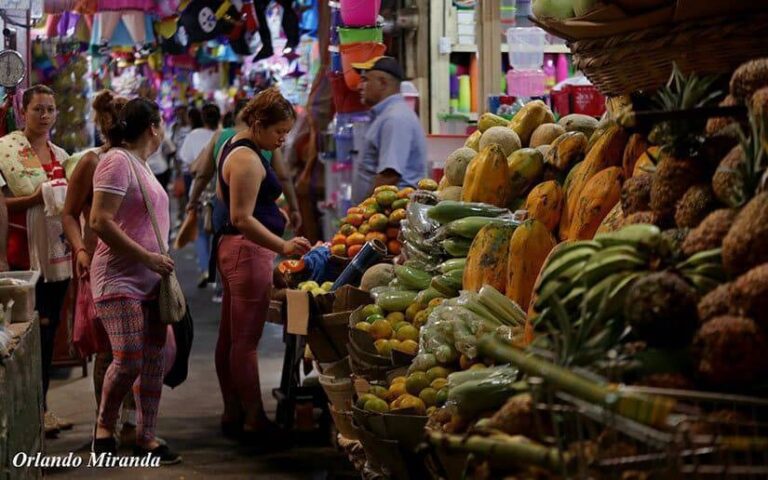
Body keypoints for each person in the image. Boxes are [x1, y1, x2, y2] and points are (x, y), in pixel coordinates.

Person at [215, 88, 311, 441]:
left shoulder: (236, 145)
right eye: (278, 132)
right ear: (257, 123)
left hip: (236, 250)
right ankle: (254, 417)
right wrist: (283, 244)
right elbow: (241, 217)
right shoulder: (247, 159)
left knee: (230, 338)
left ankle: (233, 411)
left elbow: (228, 202)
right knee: (245, 341)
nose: (282, 139)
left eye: (287, 132)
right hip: (246, 251)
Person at [89, 98, 180, 464]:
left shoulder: (141, 164)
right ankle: (104, 428)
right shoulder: (117, 161)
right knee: (128, 359)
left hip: (151, 281)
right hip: (118, 278)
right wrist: (146, 257)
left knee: (154, 361)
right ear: (154, 127)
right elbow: (99, 220)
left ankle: (146, 435)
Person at [62, 91, 142, 446]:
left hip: (137, 265)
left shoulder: (135, 161)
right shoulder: (91, 163)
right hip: (100, 264)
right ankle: (104, 426)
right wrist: (79, 247)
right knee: (109, 349)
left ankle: (127, 423)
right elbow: (68, 212)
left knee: (132, 348)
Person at [0, 85, 73, 436]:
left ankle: (42, 409)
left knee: (47, 333)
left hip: (58, 257)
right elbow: (2, 204)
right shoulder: (10, 151)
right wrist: (34, 198)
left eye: (50, 109)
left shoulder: (61, 153)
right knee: (21, 336)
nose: (44, 116)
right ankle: (24, 414)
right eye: (37, 110)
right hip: (21, 255)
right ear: (22, 112)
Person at [351, 56, 427, 204]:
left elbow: (390, 175)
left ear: (383, 82)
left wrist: (364, 211)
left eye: (365, 80)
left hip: (392, 214)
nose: (360, 87)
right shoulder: (387, 115)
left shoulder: (395, 118)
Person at [178, 103, 220, 286]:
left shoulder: (193, 136)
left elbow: (187, 162)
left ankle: (205, 268)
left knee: (202, 232)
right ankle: (214, 270)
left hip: (199, 189)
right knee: (217, 232)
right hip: (220, 190)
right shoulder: (223, 135)